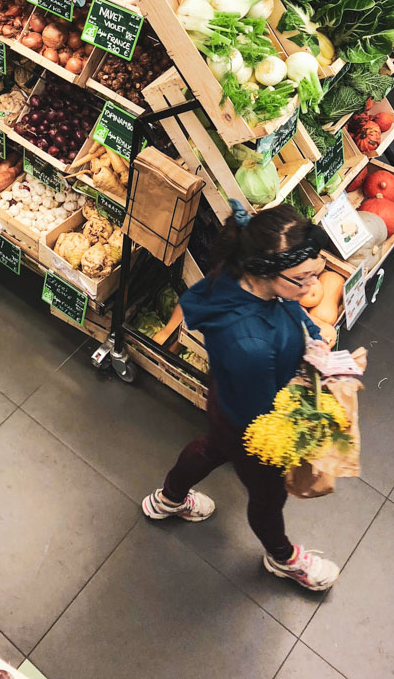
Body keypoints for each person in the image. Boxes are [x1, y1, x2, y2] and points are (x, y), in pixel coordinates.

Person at [142, 203, 341, 592]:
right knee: (267, 497)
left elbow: (289, 308)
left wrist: (310, 338)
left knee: (212, 446)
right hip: (254, 424)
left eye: (316, 274)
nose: (312, 286)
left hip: (226, 399)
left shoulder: (237, 274)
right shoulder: (250, 343)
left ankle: (168, 498)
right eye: (303, 278)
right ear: (266, 271)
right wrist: (313, 393)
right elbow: (266, 414)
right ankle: (282, 557)